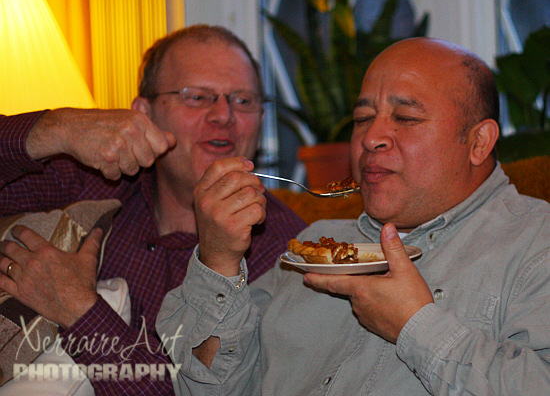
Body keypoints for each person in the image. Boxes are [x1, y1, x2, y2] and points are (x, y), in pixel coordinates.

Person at [156, 37, 550, 395]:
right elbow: (207, 388)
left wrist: (416, 327)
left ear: (478, 142)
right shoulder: (315, 247)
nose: (370, 137)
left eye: (406, 118)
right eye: (362, 119)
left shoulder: (536, 243)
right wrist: (220, 261)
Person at [0, 25, 306, 395]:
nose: (224, 115)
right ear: (143, 113)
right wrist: (57, 128)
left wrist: (79, 310)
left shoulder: (285, 255)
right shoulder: (92, 181)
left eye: (243, 101)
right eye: (197, 97)